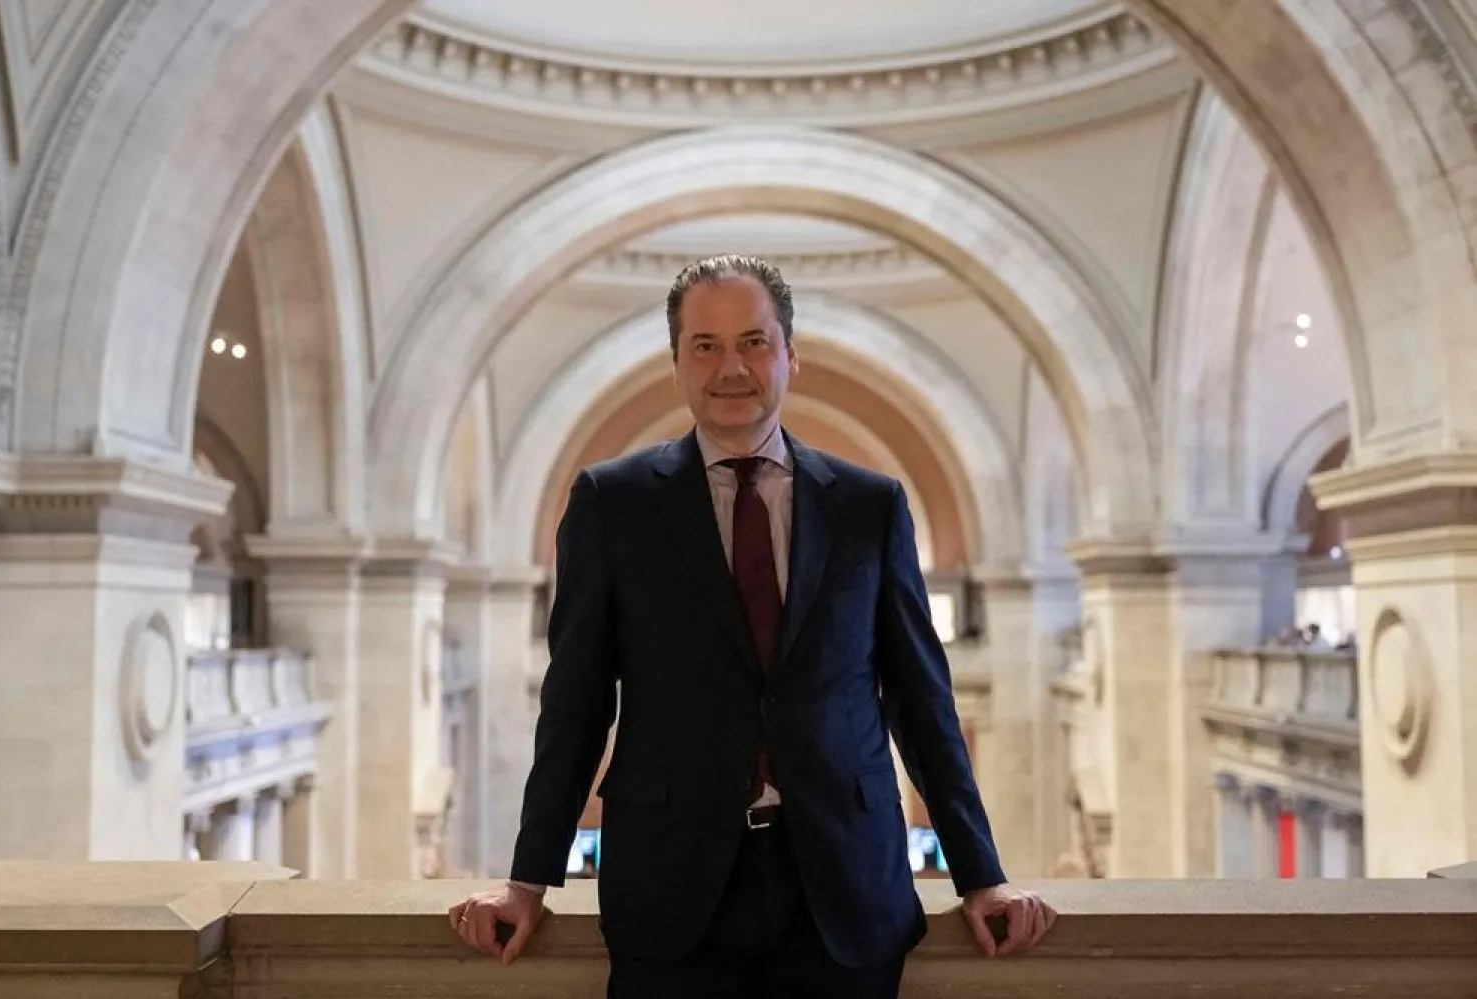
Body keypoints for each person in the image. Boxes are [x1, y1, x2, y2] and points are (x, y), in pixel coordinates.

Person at [449, 254, 1056, 997]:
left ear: (791, 356)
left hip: (843, 887)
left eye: (753, 342)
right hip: (672, 890)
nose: (729, 366)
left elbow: (921, 701)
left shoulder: (870, 506)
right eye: (704, 345)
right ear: (676, 363)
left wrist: (980, 875)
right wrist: (528, 879)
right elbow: (575, 702)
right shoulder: (613, 504)